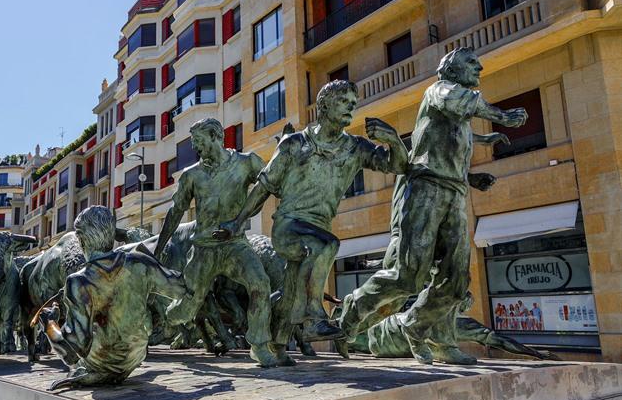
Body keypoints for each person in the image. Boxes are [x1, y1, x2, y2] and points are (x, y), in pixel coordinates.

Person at [337, 47, 528, 365]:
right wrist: (503, 116)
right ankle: (350, 314)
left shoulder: (459, 121)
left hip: (453, 194)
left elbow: (450, 151)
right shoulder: (439, 90)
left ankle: (434, 337)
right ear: (451, 70)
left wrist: (472, 178)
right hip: (425, 190)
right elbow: (459, 105)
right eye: (471, 62)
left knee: (455, 280)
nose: (479, 66)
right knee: (408, 276)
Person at [215, 80, 409, 363]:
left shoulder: (355, 148)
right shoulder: (294, 144)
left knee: (294, 285)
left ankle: (277, 344)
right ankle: (313, 316)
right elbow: (264, 186)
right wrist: (237, 222)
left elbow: (399, 166)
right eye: (344, 102)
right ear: (324, 105)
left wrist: (393, 140)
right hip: (288, 225)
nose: (351, 109)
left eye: (353, 104)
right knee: (325, 245)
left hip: (317, 228)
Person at [157, 118, 278, 367]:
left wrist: (244, 216)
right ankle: (167, 317)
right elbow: (175, 211)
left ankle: (260, 343)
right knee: (186, 309)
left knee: (260, 283)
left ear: (215, 136)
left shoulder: (247, 163)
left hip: (235, 244)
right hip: (203, 248)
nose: (195, 148)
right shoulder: (192, 175)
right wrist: (157, 250)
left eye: (198, 142)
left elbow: (269, 185)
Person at [39, 207, 187, 389]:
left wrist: (50, 324)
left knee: (76, 359)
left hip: (101, 363)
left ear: (82, 239)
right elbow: (181, 289)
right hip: (135, 355)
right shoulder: (139, 262)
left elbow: (72, 352)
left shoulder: (79, 281)